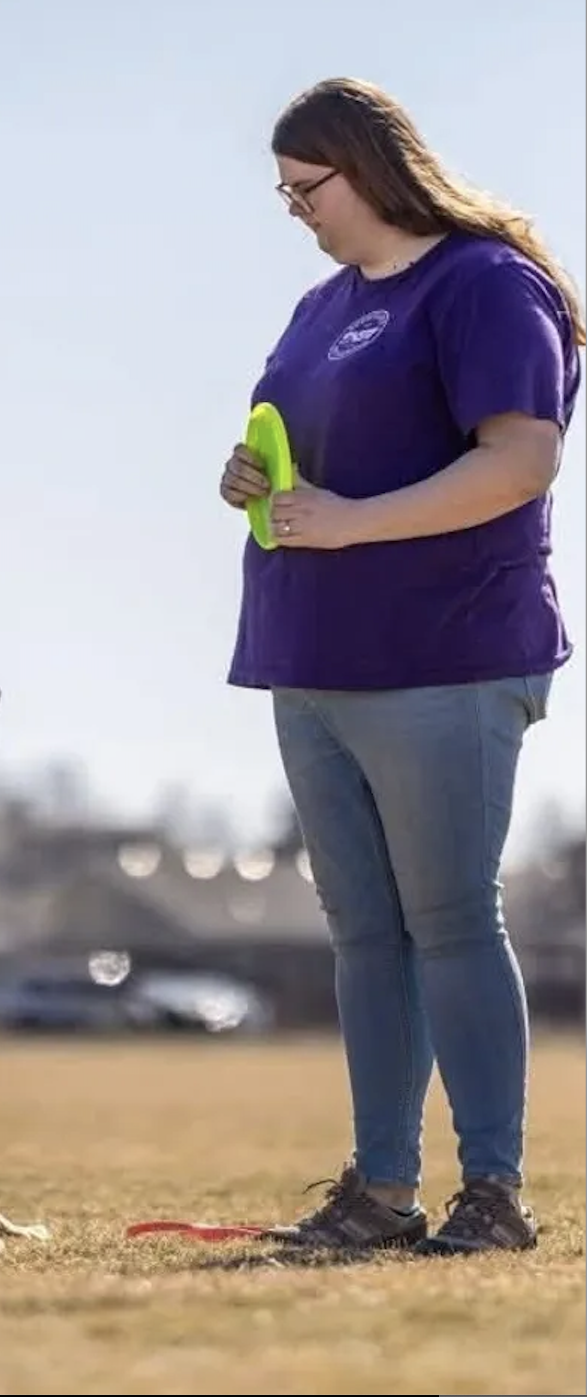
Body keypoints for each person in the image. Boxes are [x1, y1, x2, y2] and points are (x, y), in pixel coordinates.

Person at [218, 77, 584, 1256]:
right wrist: (255, 483)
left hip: (446, 655)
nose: (296, 213)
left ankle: (493, 1195)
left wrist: (353, 523)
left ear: (363, 168)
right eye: (284, 196)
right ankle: (381, 1192)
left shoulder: (482, 283)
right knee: (365, 934)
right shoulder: (320, 307)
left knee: (451, 920)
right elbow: (304, 462)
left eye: (304, 190)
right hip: (314, 656)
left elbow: (521, 461)